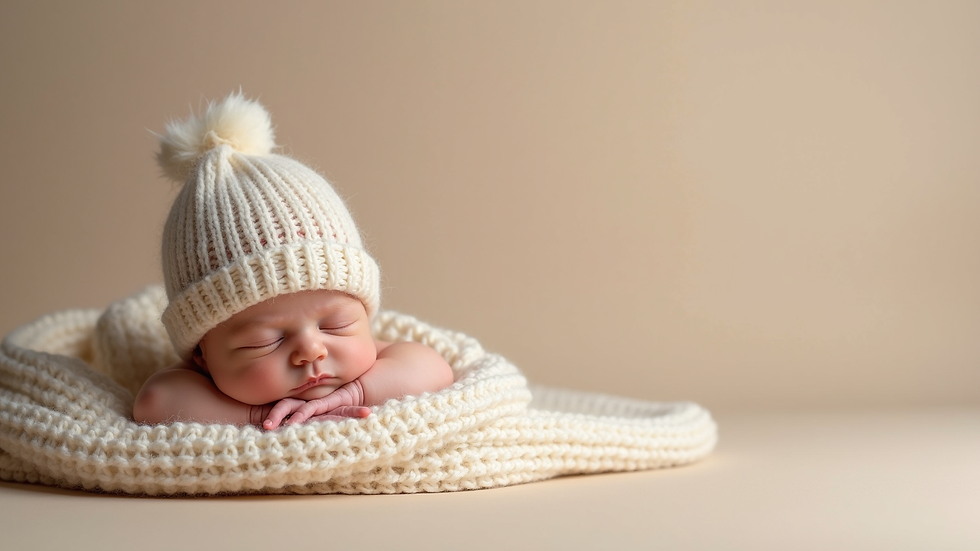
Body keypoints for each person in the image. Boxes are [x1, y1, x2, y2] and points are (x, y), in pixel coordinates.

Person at [132, 93, 454, 429]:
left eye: (335, 326)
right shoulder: (197, 383)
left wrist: (356, 393)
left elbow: (433, 369)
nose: (311, 350)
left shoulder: (372, 363)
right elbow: (156, 402)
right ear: (203, 356)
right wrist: (257, 416)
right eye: (266, 341)